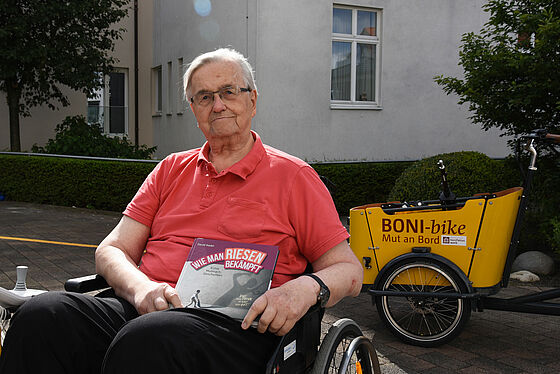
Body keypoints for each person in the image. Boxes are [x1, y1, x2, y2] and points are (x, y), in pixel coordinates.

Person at [0, 48, 363, 374]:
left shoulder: (294, 177)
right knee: (40, 316)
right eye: (204, 96)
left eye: (228, 91)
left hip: (242, 328)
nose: (217, 104)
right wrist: (141, 289)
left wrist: (304, 289)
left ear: (252, 100)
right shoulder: (171, 169)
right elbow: (111, 250)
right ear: (194, 109)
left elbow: (348, 270)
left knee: (150, 339)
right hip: (148, 310)